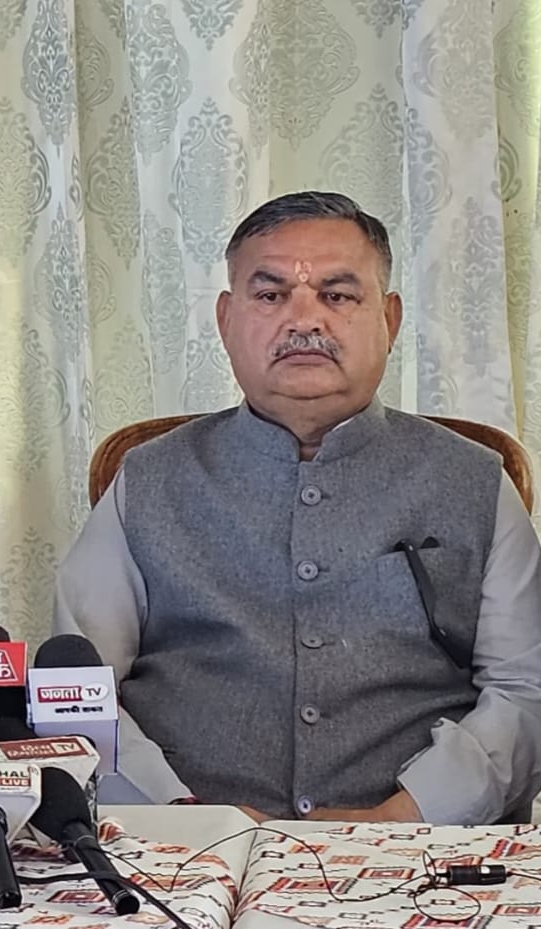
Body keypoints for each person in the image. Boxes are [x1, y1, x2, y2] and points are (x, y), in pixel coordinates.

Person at [55, 191, 541, 826]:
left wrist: (403, 817)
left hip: (419, 850)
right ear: (226, 320)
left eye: (337, 295)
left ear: (390, 319)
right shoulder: (147, 479)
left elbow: (526, 688)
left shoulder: (473, 480)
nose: (304, 319)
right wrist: (182, 813)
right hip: (184, 851)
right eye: (271, 295)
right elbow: (74, 690)